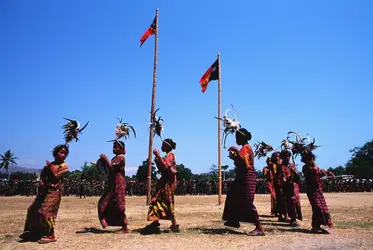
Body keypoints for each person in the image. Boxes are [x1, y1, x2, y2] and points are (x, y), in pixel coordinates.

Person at [21, 144, 70, 244]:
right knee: (33, 209)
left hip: (54, 192)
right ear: (55, 153)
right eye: (61, 153)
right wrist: (42, 182)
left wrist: (50, 166)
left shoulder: (64, 166)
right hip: (44, 191)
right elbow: (43, 176)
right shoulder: (49, 165)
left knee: (47, 213)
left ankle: (50, 235)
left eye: (65, 153)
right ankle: (33, 231)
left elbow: (56, 176)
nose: (63, 155)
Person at [222, 128, 265, 236]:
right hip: (241, 176)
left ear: (242, 138)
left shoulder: (246, 148)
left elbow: (244, 162)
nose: (236, 139)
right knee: (233, 195)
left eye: (237, 137)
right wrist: (235, 156)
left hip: (247, 177)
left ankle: (259, 227)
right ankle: (233, 220)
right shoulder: (244, 148)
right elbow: (240, 160)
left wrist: (235, 151)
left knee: (247, 201)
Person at [146, 138, 179, 233]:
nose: (161, 146)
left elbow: (166, 166)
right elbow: (162, 167)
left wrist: (158, 156)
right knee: (156, 200)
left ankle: (174, 224)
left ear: (168, 146)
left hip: (168, 183)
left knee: (168, 202)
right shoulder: (167, 156)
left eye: (163, 145)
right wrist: (157, 159)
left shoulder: (171, 155)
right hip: (163, 182)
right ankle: (155, 222)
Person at [97, 140, 129, 233]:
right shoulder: (115, 158)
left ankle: (125, 226)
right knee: (106, 203)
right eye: (113, 146)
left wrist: (105, 159)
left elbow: (111, 167)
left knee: (119, 206)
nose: (114, 148)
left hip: (118, 184)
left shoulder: (120, 158)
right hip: (113, 184)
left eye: (116, 147)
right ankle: (115, 223)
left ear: (121, 149)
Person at [302, 152, 335, 233]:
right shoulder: (305, 168)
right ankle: (315, 226)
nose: (311, 160)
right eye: (309, 159)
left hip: (318, 190)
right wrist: (321, 170)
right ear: (305, 160)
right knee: (317, 207)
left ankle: (317, 226)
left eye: (312, 159)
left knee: (323, 206)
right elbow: (315, 170)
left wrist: (328, 173)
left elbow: (321, 172)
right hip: (311, 191)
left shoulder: (316, 167)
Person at [279, 150, 302, 226]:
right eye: (285, 156)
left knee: (295, 202)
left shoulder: (292, 165)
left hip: (293, 186)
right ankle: (292, 219)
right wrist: (285, 179)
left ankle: (295, 218)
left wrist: (294, 172)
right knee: (289, 202)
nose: (287, 158)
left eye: (288, 156)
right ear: (282, 157)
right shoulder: (280, 167)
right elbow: (279, 178)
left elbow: (298, 177)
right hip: (285, 187)